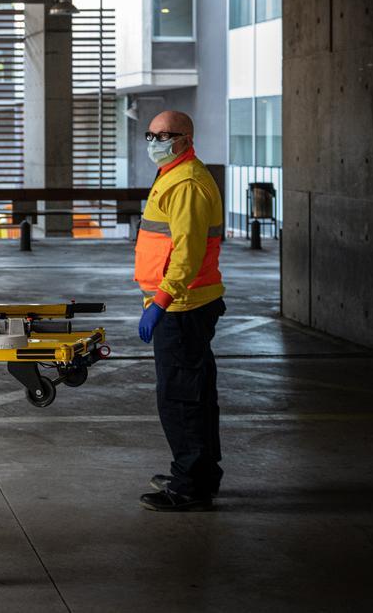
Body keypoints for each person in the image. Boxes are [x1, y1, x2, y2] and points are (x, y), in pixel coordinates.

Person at [134, 110, 225, 512]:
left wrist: (161, 302)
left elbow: (187, 253)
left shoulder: (186, 182)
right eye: (150, 135)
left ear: (185, 138)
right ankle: (200, 474)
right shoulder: (173, 174)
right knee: (197, 395)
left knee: (181, 399)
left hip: (182, 306)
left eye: (164, 135)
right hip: (187, 304)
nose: (155, 142)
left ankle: (189, 487)